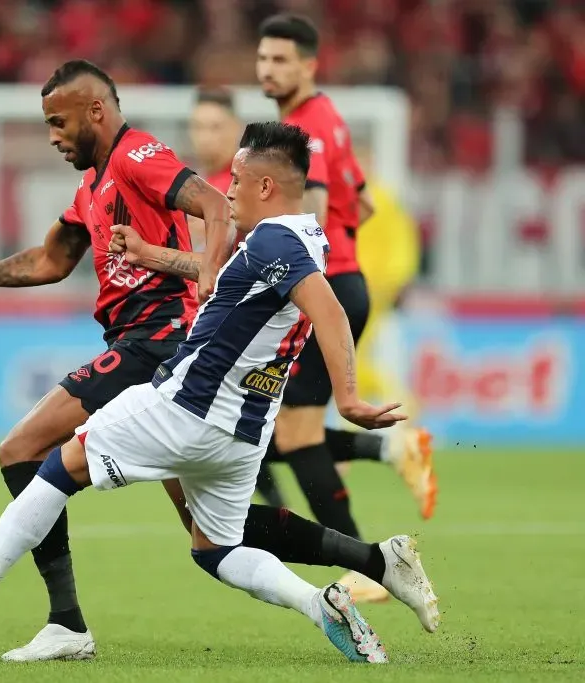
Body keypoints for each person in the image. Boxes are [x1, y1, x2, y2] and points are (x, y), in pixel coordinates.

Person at [0, 60, 437, 663]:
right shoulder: (282, 240)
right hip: (235, 426)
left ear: (94, 110)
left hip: (162, 360)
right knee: (212, 546)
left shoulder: (142, 157)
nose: (52, 134)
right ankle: (363, 571)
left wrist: (351, 397)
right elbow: (50, 262)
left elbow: (228, 223)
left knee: (39, 457)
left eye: (57, 121)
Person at [254, 13, 436, 600]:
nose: (267, 69)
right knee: (286, 433)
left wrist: (293, 270)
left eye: (281, 60)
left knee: (293, 434)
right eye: (263, 58)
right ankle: (384, 477)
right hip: (344, 282)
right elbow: (361, 202)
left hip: (323, 286)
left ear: (309, 65)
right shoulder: (328, 120)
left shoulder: (306, 128)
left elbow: (322, 204)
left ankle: (368, 565)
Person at [187, 86, 287, 509]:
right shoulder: (192, 186)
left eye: (216, 126)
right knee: (242, 430)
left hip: (245, 330)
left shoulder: (249, 188)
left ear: (235, 131)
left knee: (275, 433)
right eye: (198, 127)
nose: (205, 136)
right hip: (200, 324)